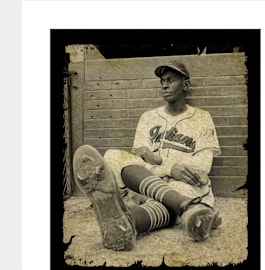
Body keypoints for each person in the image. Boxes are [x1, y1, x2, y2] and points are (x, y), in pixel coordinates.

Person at [73, 60, 222, 251]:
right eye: (162, 81)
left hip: (185, 184)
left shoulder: (202, 118)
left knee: (168, 199)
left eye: (170, 80)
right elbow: (138, 162)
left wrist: (160, 162)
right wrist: (169, 168)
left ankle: (129, 222)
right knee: (113, 155)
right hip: (148, 182)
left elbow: (202, 166)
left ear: (185, 85)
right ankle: (187, 207)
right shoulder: (148, 117)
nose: (165, 85)